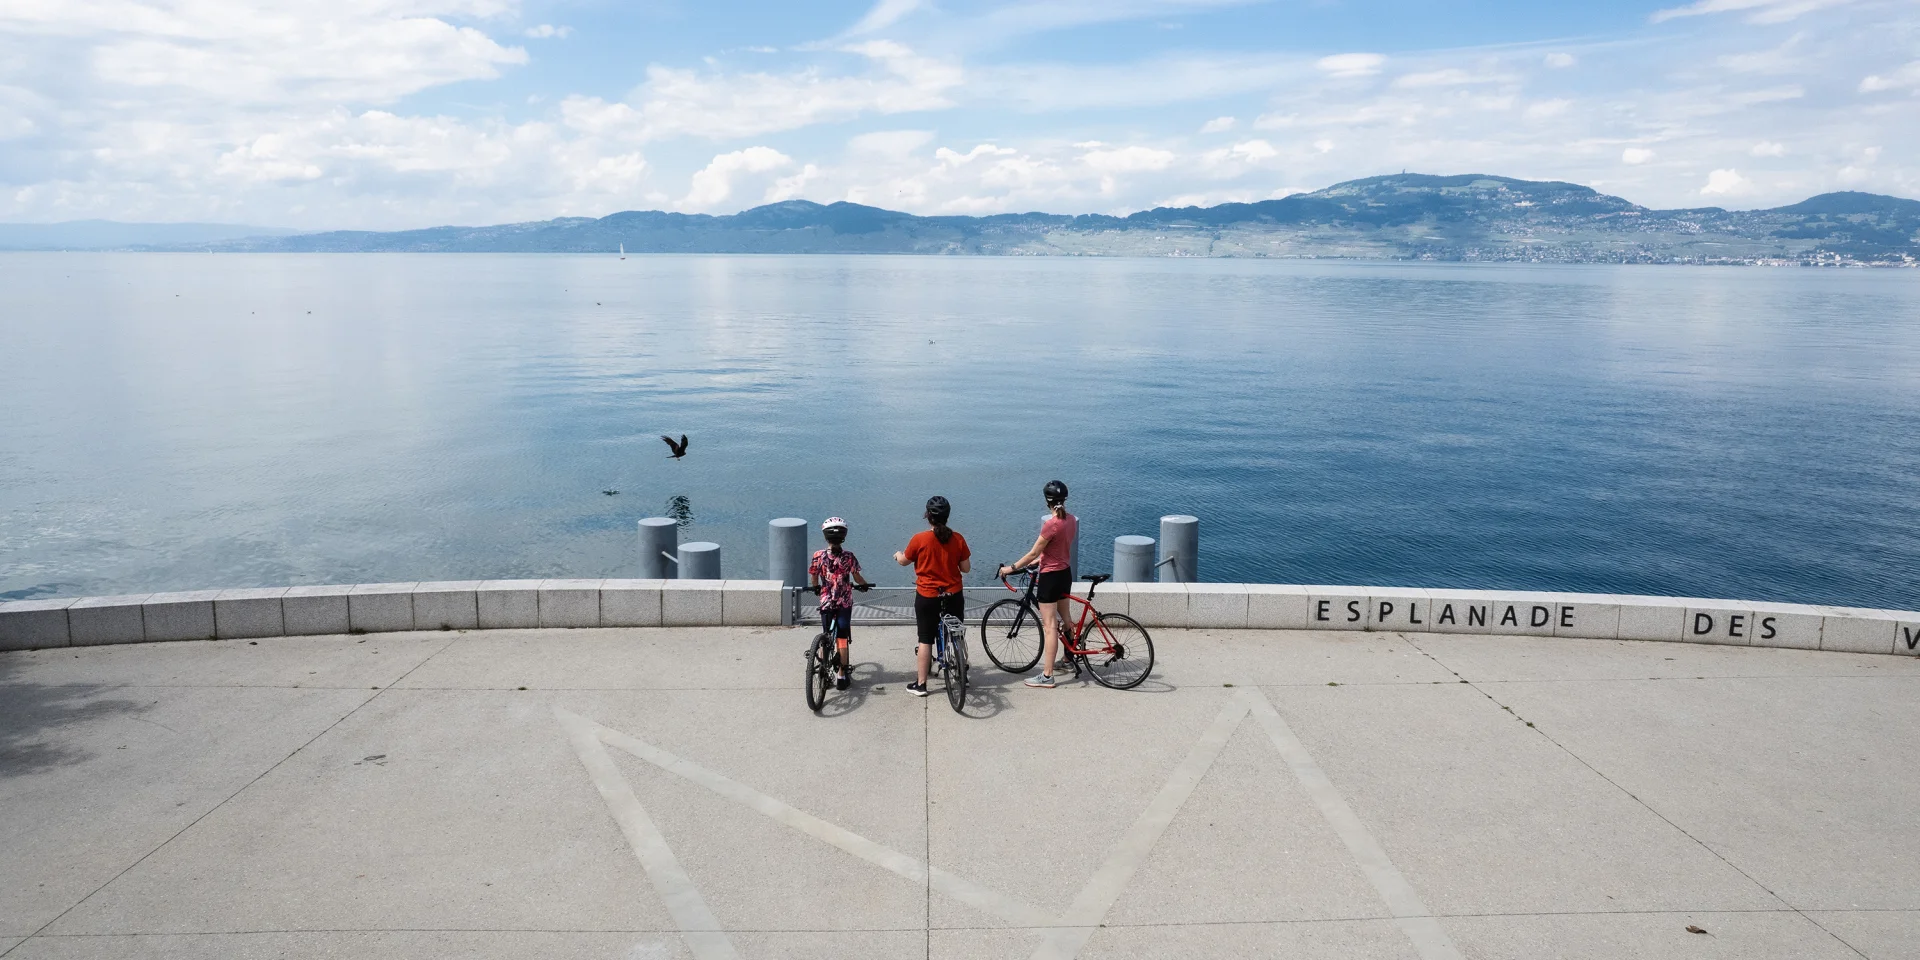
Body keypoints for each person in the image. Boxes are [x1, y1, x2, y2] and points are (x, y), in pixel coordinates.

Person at [997, 480, 1076, 689]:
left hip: (1050, 578)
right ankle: (1069, 659)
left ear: (1047, 501)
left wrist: (1010, 568)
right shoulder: (1071, 520)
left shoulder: (1051, 524)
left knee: (1050, 627)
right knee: (1066, 618)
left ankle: (1047, 675)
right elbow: (1059, 548)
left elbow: (1034, 552)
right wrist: (1040, 559)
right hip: (1065, 574)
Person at [894, 495, 970, 697]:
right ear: (947, 516)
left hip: (928, 595)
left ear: (928, 516)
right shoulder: (958, 539)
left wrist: (897, 555)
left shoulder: (919, 539)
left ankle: (921, 685)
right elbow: (966, 568)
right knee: (957, 632)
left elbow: (904, 561)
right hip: (953, 594)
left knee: (925, 639)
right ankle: (962, 673)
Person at [808, 517, 871, 690]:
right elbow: (857, 577)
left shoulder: (818, 556)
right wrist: (864, 585)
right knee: (841, 639)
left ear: (825, 536)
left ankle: (822, 667)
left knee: (826, 635)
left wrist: (816, 588)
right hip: (844, 602)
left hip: (826, 600)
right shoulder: (848, 557)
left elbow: (814, 577)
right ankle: (842, 677)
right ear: (844, 536)